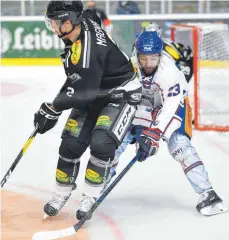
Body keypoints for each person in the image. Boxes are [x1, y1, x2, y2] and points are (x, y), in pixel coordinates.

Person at [35, 0, 142, 221]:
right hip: (93, 88)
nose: (53, 28)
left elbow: (84, 92)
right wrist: (54, 109)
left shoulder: (90, 51)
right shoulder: (82, 23)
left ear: (70, 21)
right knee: (71, 144)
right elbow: (92, 13)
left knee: (101, 143)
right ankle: (61, 193)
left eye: (56, 23)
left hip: (120, 94)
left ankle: (90, 196)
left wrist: (52, 108)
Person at [108, 30, 227, 216]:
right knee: (115, 140)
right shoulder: (130, 67)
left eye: (153, 59)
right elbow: (129, 101)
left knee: (179, 146)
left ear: (160, 55)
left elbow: (169, 108)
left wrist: (153, 134)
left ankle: (208, 193)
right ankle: (98, 184)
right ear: (137, 55)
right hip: (145, 105)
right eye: (144, 59)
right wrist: (140, 129)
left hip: (175, 106)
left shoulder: (169, 72)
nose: (148, 64)